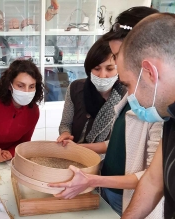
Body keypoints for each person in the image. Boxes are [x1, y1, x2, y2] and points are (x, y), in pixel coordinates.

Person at [50, 7, 164, 218]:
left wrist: (93, 180)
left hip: (125, 194)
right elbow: (120, 144)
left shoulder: (157, 108)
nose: (116, 68)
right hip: (107, 187)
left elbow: (152, 179)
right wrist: (80, 148)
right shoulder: (130, 97)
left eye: (116, 58)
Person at [117, 13, 175, 219]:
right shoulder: (169, 117)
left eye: (128, 85)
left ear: (150, 72)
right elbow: (153, 181)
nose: (129, 96)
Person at [57, 37, 125, 149]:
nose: (102, 75)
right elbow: (66, 124)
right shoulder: (76, 88)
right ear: (89, 69)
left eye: (109, 69)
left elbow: (117, 143)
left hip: (105, 161)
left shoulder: (125, 96)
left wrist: (80, 148)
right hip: (73, 154)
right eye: (97, 69)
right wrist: (65, 134)